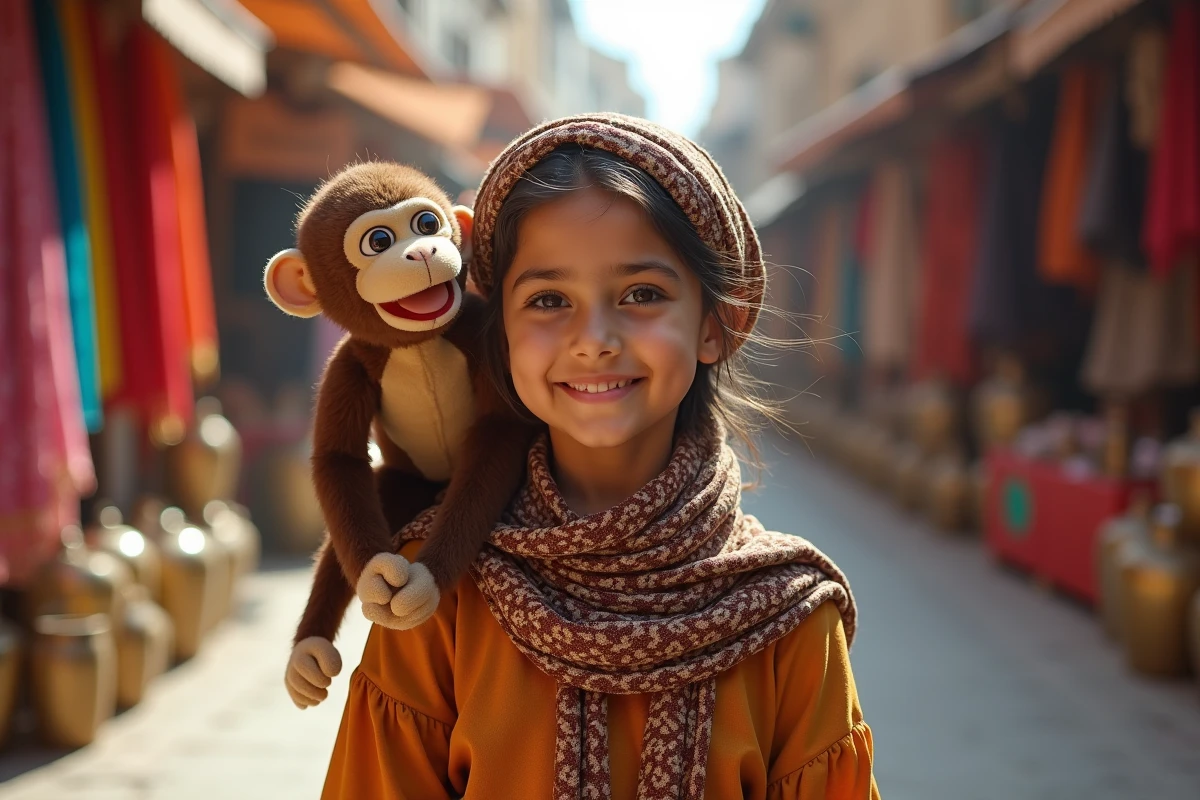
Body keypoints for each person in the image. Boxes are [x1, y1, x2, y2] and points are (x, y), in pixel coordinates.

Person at [317, 114, 879, 799]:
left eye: (642, 294)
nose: (594, 339)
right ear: (501, 331)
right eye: (549, 299)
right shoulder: (437, 592)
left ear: (714, 324)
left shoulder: (787, 615)